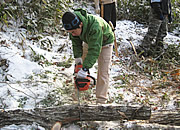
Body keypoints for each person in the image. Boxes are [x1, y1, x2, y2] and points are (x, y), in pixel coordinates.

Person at [62, 9, 114, 104]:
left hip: (105, 42)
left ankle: (101, 101)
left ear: (80, 24)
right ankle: (78, 94)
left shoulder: (95, 26)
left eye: (73, 31)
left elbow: (94, 51)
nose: (72, 34)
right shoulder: (73, 25)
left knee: (103, 72)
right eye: (70, 32)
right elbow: (76, 43)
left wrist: (85, 68)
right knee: (79, 68)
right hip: (88, 39)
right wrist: (78, 60)